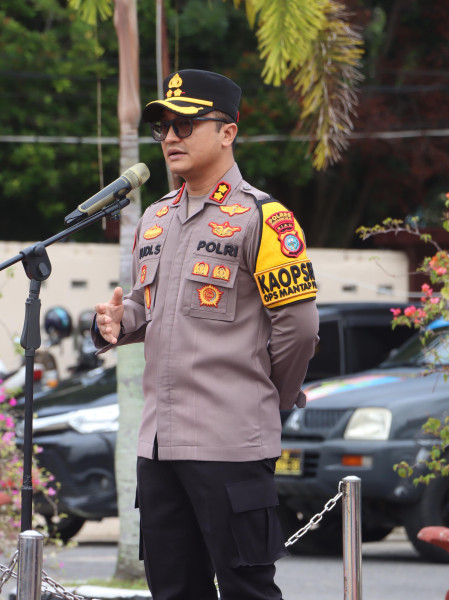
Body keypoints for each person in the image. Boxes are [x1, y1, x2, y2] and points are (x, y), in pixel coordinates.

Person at [93, 69, 319, 600]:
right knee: (174, 590)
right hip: (158, 446)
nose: (171, 136)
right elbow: (149, 311)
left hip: (230, 443)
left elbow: (300, 329)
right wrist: (114, 324)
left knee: (247, 589)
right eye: (164, 127)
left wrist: (270, 399)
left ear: (228, 132)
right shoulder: (154, 218)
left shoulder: (264, 218)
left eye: (187, 124)